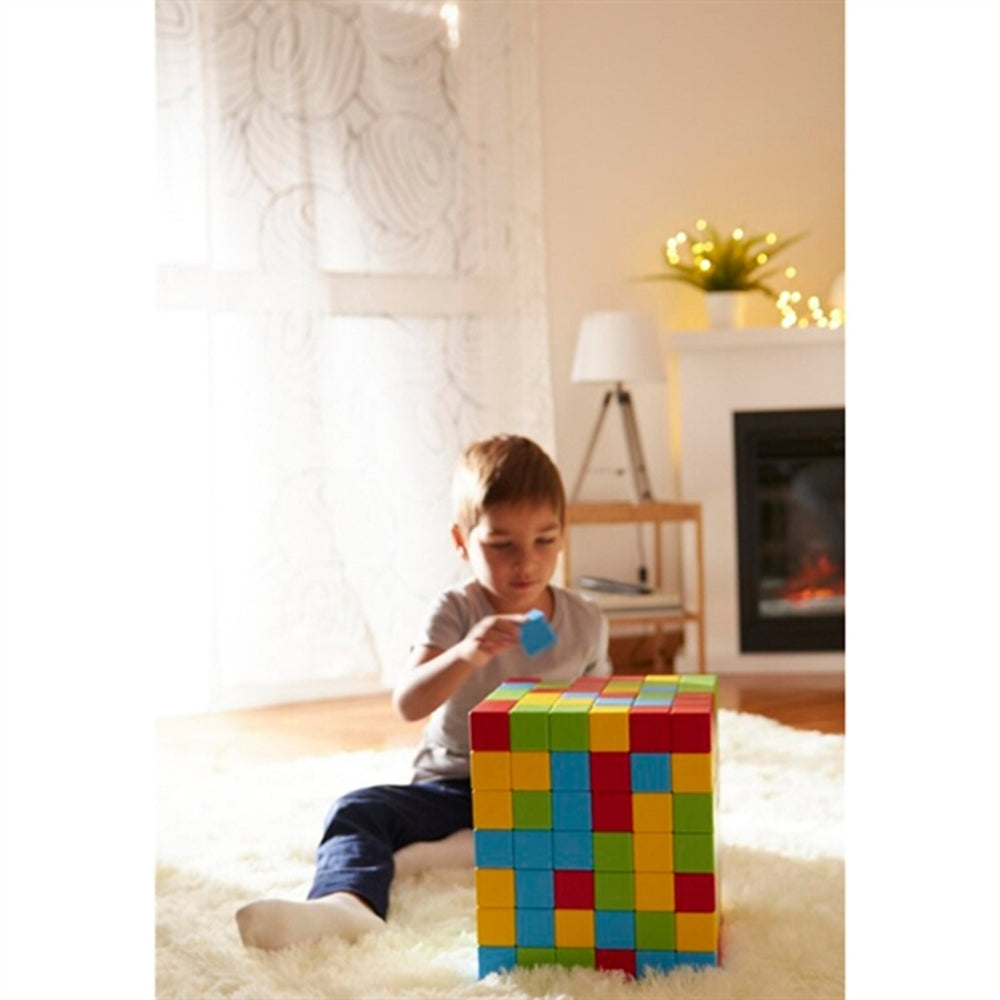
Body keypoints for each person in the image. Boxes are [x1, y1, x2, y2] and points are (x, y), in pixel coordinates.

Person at [236, 434, 611, 950]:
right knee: (357, 810)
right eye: (502, 545)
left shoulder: (586, 621)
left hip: (544, 790)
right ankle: (349, 904)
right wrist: (467, 653)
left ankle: (455, 851)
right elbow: (409, 703)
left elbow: (606, 717)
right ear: (462, 541)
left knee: (616, 818)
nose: (526, 563)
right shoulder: (455, 611)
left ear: (563, 535)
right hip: (455, 786)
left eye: (544, 540)